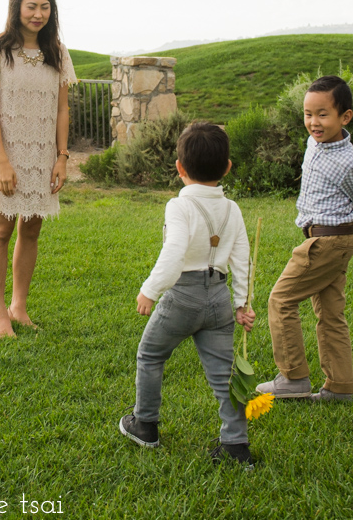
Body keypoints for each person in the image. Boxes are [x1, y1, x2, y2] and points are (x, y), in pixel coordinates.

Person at [119, 123, 256, 467]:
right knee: (224, 374)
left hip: (182, 297)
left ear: (179, 168)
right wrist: (242, 303)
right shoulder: (232, 209)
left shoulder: (178, 207)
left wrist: (150, 290)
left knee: (150, 355)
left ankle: (145, 424)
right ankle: (236, 444)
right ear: (227, 167)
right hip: (219, 299)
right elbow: (242, 258)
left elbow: (175, 252)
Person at [256, 75, 353, 402]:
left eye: (322, 114)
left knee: (281, 300)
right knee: (330, 313)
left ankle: (293, 378)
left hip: (327, 243)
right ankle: (340, 388)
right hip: (328, 238)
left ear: (345, 117)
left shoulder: (347, 162)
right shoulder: (314, 143)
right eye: (307, 114)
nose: (313, 122)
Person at [0, 0, 77, 338]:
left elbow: (63, 109)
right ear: (16, 6)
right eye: (32, 6)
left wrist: (62, 156)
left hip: (44, 153)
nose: (38, 14)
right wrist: (1, 159)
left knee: (32, 227)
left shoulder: (58, 53)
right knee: (2, 227)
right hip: (6, 153)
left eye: (45, 7)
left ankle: (19, 306)